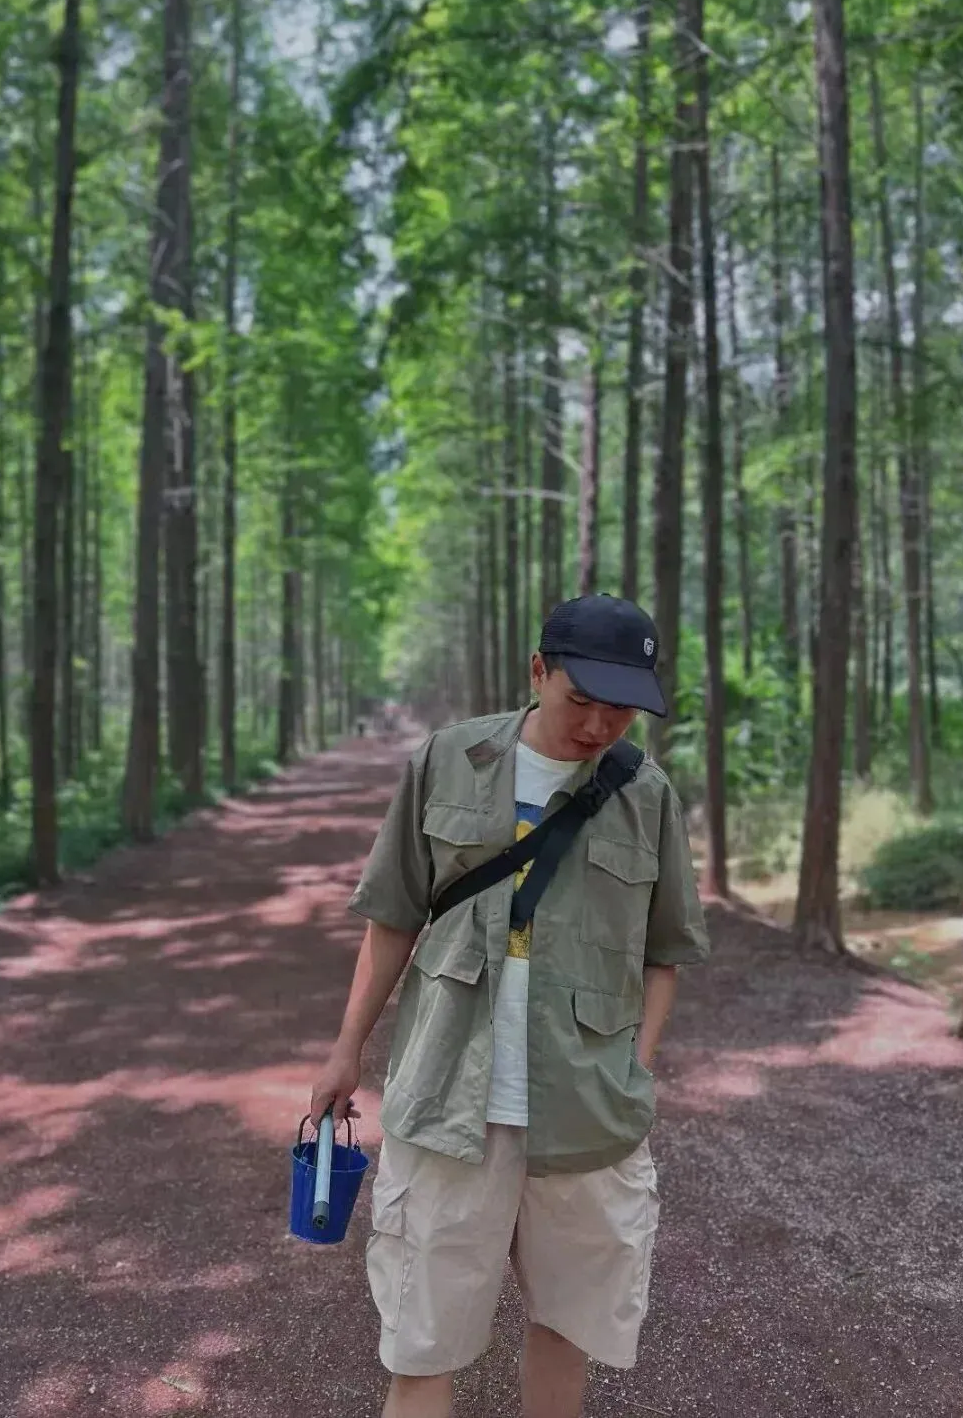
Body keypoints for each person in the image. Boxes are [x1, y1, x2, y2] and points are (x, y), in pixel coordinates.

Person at [310, 593, 709, 1418]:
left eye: (621, 710)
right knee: (422, 1341)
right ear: (537, 671)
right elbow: (392, 918)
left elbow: (664, 953)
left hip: (588, 1112)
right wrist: (345, 1048)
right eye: (581, 699)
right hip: (447, 1099)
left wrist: (635, 1071)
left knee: (566, 1327)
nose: (598, 726)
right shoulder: (448, 760)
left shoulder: (647, 794)